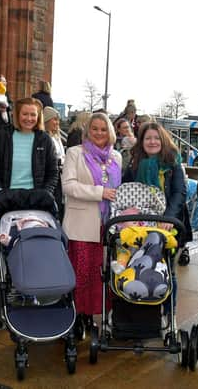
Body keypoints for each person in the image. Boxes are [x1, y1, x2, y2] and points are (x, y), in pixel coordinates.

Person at [62, 112, 121, 330]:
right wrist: (100, 192)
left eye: (103, 129)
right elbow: (68, 186)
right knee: (81, 273)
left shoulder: (116, 158)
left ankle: (91, 316)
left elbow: (118, 191)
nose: (99, 133)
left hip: (106, 226)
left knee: (100, 274)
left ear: (110, 132)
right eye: (94, 128)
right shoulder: (75, 153)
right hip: (81, 224)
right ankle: (76, 316)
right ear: (87, 131)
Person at [123, 122, 187, 232]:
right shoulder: (134, 164)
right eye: (148, 138)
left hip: (167, 219)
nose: (152, 142)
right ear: (142, 141)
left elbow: (179, 192)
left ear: (163, 140)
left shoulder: (173, 163)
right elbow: (125, 189)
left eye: (157, 138)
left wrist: (169, 216)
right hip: (139, 220)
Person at [0, 97, 58, 196]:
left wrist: (45, 193)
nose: (29, 119)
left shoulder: (45, 139)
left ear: (38, 117)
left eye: (33, 115)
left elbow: (53, 171)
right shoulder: (3, 136)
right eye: (25, 114)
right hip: (7, 197)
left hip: (36, 199)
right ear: (17, 115)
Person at [43, 106, 65, 221]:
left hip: (60, 174)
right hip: (52, 175)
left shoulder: (56, 137)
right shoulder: (45, 137)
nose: (57, 123)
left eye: (58, 120)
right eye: (54, 120)